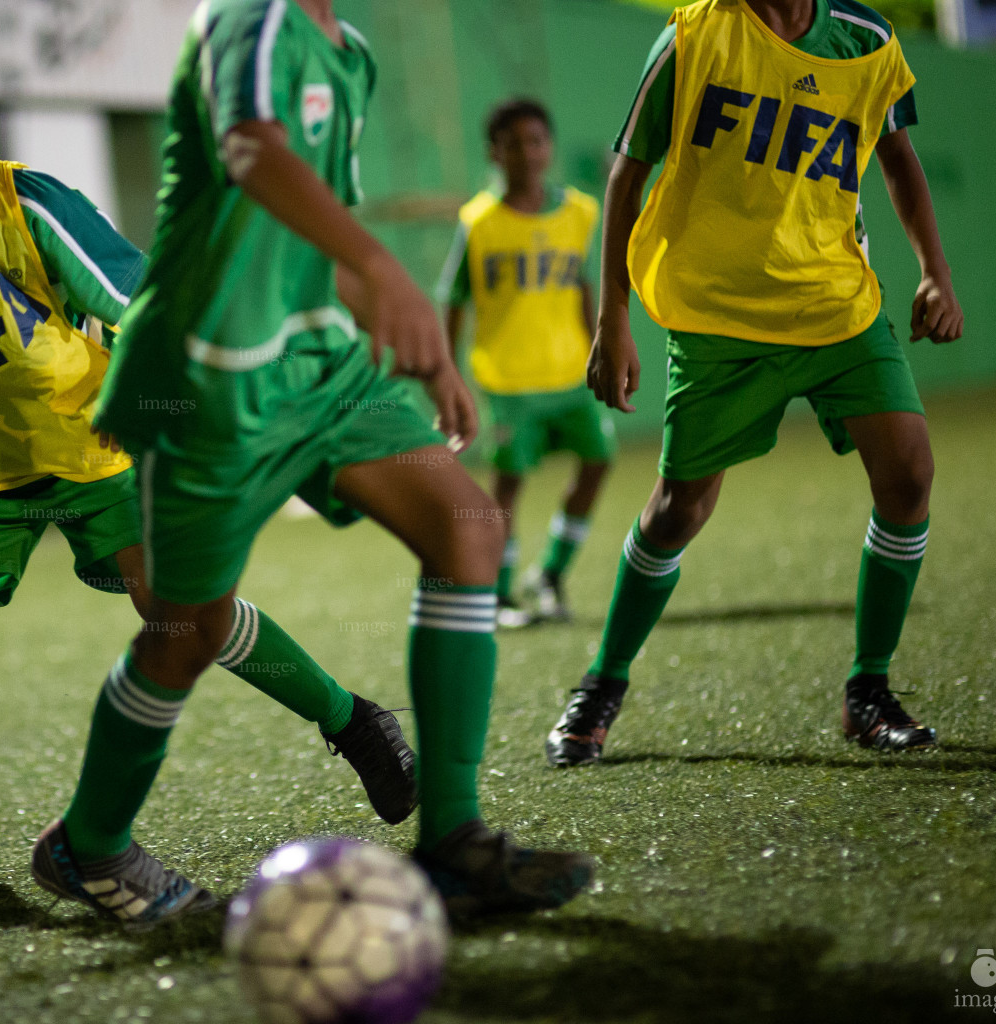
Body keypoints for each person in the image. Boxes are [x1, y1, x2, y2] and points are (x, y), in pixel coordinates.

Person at [0, 14, 416, 910]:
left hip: (96, 443)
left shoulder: (30, 204)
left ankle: (352, 719)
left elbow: (140, 304)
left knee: (182, 617)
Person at [30, 0, 595, 926]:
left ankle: (453, 841)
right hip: (213, 379)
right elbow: (253, 151)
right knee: (186, 632)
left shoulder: (353, 55)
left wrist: (416, 337)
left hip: (323, 362)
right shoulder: (246, 20)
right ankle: (87, 843)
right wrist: (389, 270)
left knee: (469, 529)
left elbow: (308, 225)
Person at [544, 0, 963, 768]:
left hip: (838, 306)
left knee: (909, 476)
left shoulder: (867, 42)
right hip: (718, 317)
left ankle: (868, 691)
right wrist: (613, 318)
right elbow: (626, 174)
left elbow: (898, 159)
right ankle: (603, 682)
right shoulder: (692, 37)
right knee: (678, 510)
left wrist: (935, 271)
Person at [438, 98, 614, 628]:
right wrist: (448, 375)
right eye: (513, 143)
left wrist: (600, 348)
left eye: (536, 141)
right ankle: (499, 593)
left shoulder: (580, 211)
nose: (527, 152)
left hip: (569, 372)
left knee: (599, 460)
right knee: (510, 482)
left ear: (550, 147)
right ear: (494, 152)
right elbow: (454, 300)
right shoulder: (479, 221)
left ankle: (552, 573)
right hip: (509, 379)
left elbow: (584, 285)